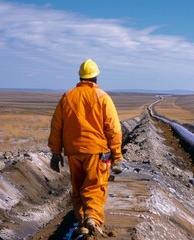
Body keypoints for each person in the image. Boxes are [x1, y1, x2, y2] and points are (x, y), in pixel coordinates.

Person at [48, 59, 123, 235]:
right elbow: (113, 128)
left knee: (79, 187)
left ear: (81, 76)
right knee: (95, 187)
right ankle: (93, 220)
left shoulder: (67, 97)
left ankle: (82, 224)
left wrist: (55, 152)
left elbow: (56, 126)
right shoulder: (103, 97)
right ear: (96, 76)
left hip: (74, 152)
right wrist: (117, 155)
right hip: (97, 152)